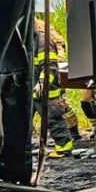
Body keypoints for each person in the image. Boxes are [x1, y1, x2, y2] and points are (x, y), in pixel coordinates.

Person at [32, 17, 73, 159]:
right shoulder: (32, 38)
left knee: (53, 119)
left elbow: (50, 67)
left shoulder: (44, 40)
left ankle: (64, 148)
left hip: (47, 91)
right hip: (33, 89)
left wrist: (42, 84)